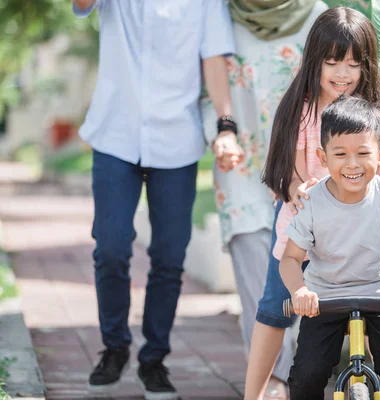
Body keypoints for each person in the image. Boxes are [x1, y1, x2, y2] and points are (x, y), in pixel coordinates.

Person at [71, 1, 243, 399]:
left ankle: (154, 360)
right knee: (111, 247)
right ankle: (114, 347)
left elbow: (213, 58)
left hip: (177, 139)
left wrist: (225, 126)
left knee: (169, 255)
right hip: (115, 133)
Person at [245, 7, 380, 399]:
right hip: (301, 223)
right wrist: (297, 190)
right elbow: (281, 172)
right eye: (332, 62)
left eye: (354, 64)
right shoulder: (298, 109)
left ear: (367, 66)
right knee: (275, 308)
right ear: (315, 61)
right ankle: (251, 394)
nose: (342, 73)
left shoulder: (376, 110)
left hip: (361, 228)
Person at [200, 1, 328, 398]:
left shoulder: (314, 14)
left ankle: (295, 377)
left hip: (304, 164)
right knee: (257, 279)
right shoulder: (219, 12)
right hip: (242, 159)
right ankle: (271, 381)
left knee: (298, 276)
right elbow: (208, 78)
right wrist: (221, 132)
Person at [281, 96, 380, 399]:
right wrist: (300, 292)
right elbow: (290, 258)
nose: (352, 164)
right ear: (323, 158)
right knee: (305, 378)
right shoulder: (312, 202)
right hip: (325, 298)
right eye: (340, 154)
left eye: (363, 153)